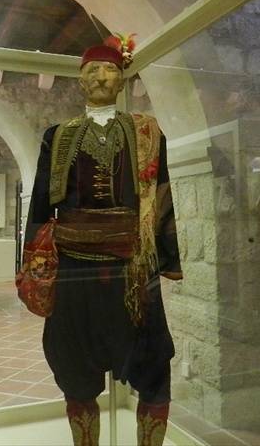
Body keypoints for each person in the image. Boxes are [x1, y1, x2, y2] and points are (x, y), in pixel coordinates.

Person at [25, 34, 182, 446]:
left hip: (134, 268)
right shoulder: (57, 136)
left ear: (122, 79)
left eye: (109, 68)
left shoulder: (148, 133)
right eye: (92, 69)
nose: (100, 76)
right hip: (73, 269)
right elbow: (40, 203)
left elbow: (162, 195)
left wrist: (168, 257)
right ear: (80, 80)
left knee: (153, 365)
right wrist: (34, 264)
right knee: (74, 368)